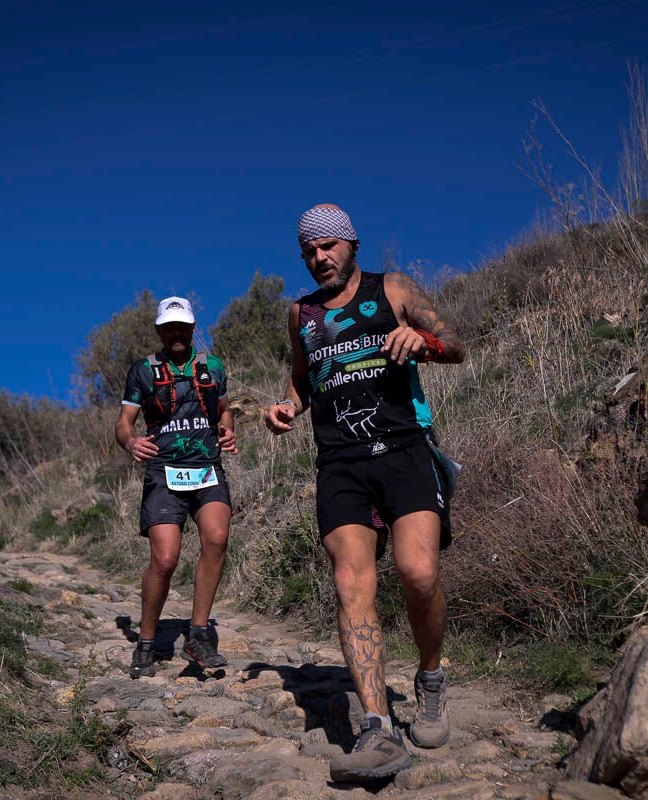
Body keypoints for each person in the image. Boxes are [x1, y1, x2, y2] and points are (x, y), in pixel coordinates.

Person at [263, 204, 465, 782]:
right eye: (308, 251)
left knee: (418, 573)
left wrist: (420, 339)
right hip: (341, 464)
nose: (317, 258)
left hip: (403, 450)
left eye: (326, 246)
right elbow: (303, 380)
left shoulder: (393, 287)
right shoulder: (301, 314)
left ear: (350, 243)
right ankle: (376, 728)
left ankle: (430, 679)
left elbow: (456, 344)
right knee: (351, 581)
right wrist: (288, 408)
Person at [116, 296, 238, 678]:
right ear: (159, 331)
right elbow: (124, 422)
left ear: (192, 328)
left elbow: (224, 409)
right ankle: (147, 642)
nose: (177, 333)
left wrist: (228, 429)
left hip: (206, 468)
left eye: (183, 326)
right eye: (170, 327)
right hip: (164, 471)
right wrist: (131, 442)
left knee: (216, 539)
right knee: (165, 559)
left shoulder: (213, 367)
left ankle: (198, 634)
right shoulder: (143, 371)